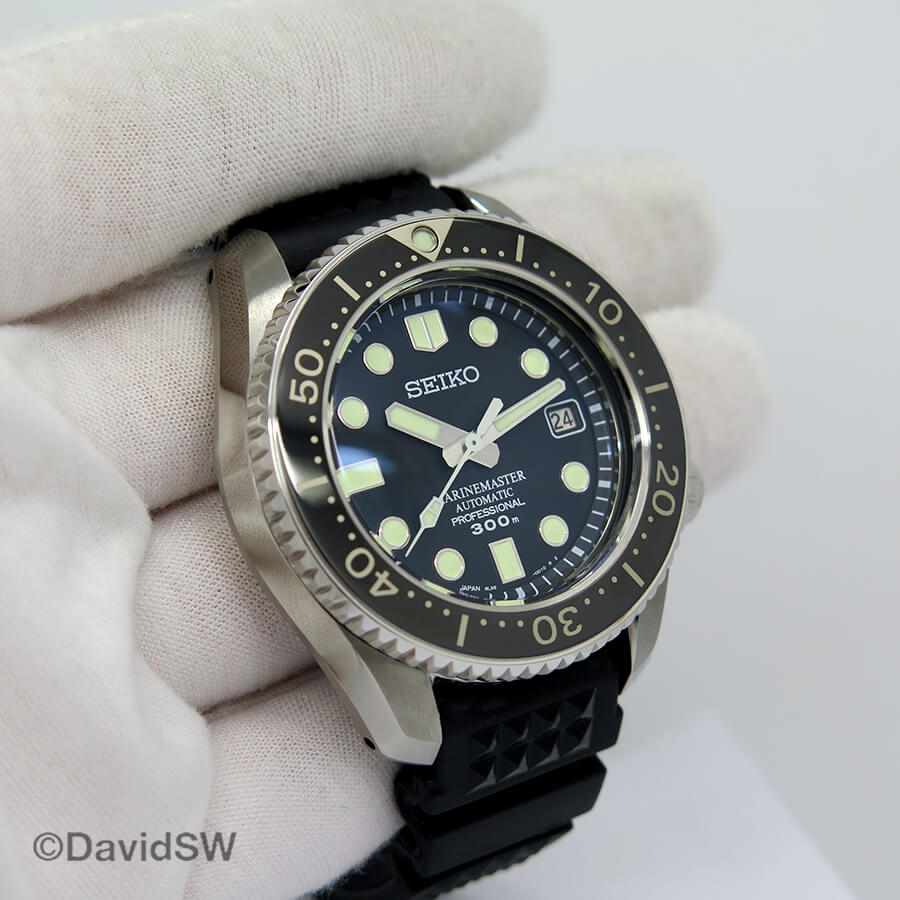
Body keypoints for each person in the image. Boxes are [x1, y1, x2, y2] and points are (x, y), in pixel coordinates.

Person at [0, 1, 769, 897]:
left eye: (480, 438)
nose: (477, 450)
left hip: (552, 594)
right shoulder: (262, 293)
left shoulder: (502, 273)